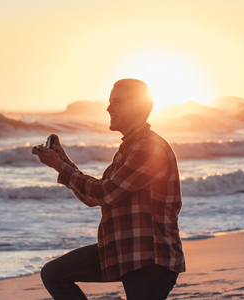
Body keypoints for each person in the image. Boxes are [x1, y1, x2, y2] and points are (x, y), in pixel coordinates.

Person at [31, 79, 185, 300]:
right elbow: (95, 196)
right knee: (54, 274)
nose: (109, 108)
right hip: (122, 251)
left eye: (117, 102)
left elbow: (104, 193)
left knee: (54, 274)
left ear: (138, 107)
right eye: (109, 101)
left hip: (150, 258)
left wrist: (60, 166)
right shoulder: (129, 148)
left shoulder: (149, 148)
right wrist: (63, 161)